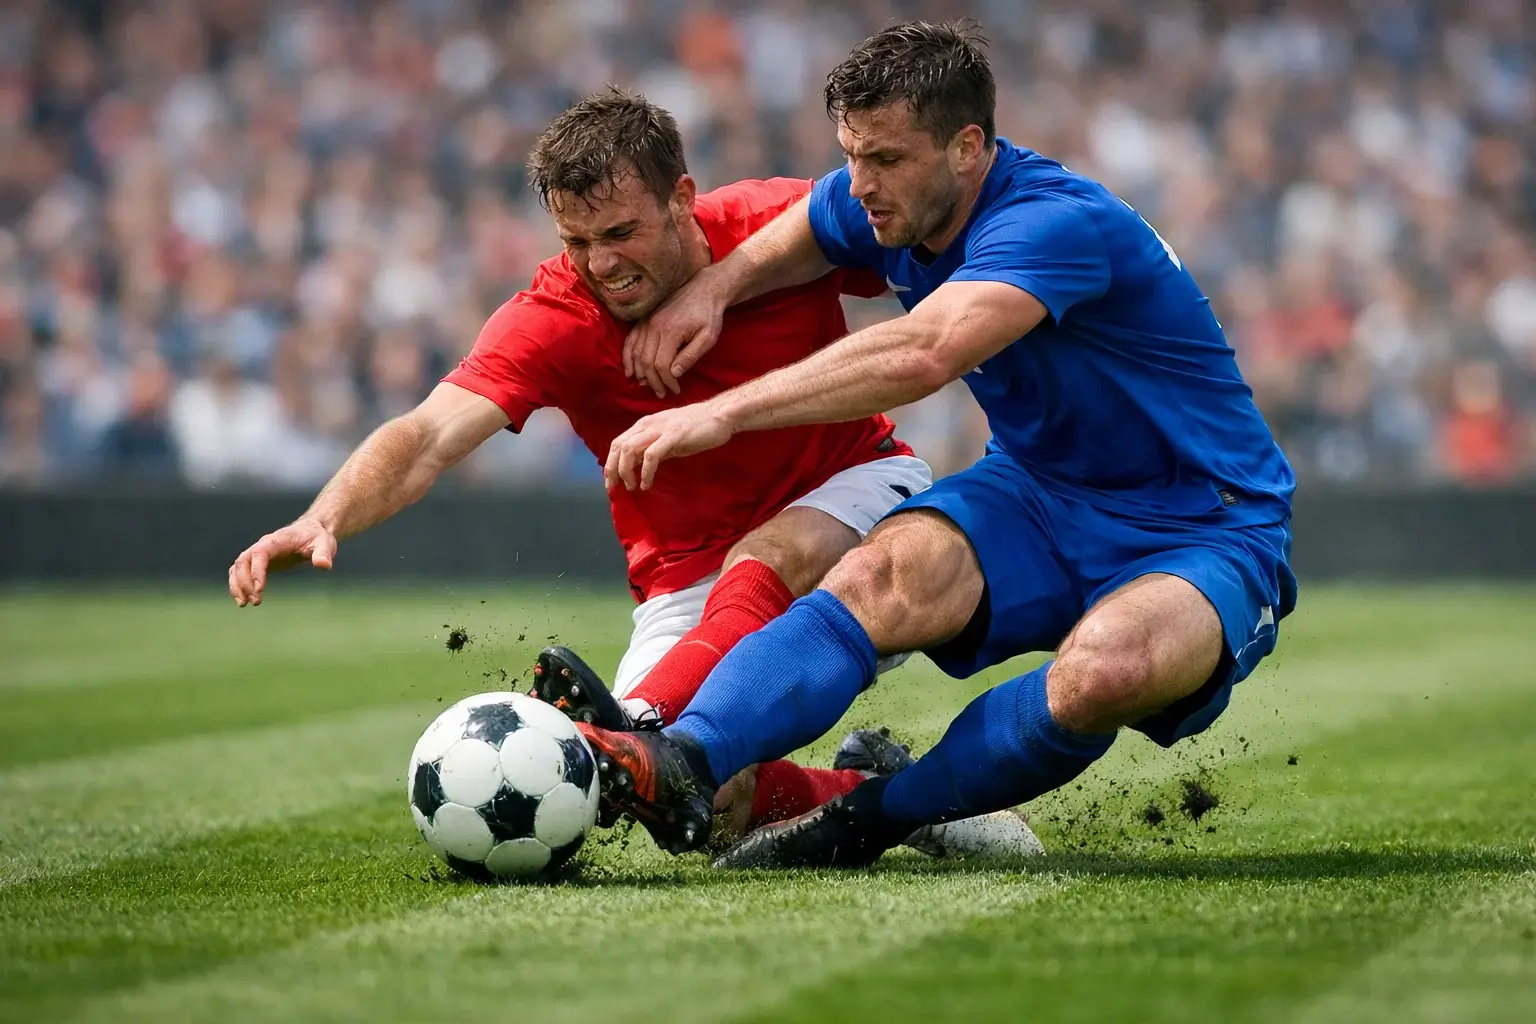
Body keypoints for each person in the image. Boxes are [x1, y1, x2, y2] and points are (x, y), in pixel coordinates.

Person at [225, 88, 1039, 859]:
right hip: (686, 582)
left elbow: (938, 235)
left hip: (857, 498)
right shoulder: (553, 318)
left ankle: (647, 718)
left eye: (619, 233)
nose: (599, 264)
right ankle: (885, 793)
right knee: (697, 808)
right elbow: (429, 434)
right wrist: (325, 515)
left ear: (683, 196)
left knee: (754, 578)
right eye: (575, 241)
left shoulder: (774, 221)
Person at [573, 20, 1299, 868]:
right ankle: (681, 759)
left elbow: (929, 350)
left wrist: (725, 411)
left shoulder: (1054, 223)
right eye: (852, 154)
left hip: (1206, 523)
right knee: (880, 575)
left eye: (885, 159)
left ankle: (873, 816)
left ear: (967, 147)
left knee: (1106, 673)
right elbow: (812, 222)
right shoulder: (896, 199)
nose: (862, 183)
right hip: (1038, 489)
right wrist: (719, 289)